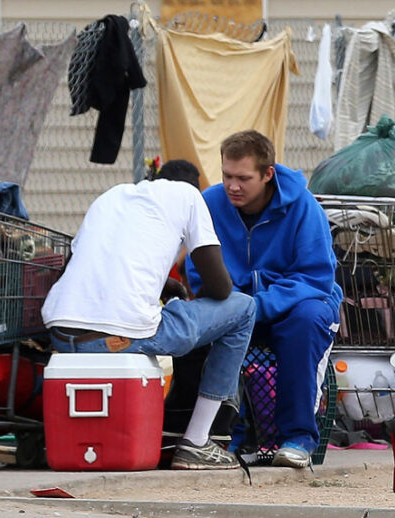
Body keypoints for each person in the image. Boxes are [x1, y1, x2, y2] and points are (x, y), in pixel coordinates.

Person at [41, 159, 257, 470]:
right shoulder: (189, 196)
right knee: (243, 308)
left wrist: (163, 285)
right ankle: (197, 441)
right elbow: (221, 288)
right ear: (195, 187)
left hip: (61, 333)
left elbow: (78, 267)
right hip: (120, 337)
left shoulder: (111, 196)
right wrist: (190, 305)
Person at [186, 130, 343, 468]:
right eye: (227, 175)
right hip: (237, 305)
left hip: (299, 305)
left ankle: (298, 439)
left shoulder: (304, 207)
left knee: (305, 322)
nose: (233, 186)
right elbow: (198, 276)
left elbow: (316, 277)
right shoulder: (209, 204)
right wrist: (237, 307)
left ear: (268, 174)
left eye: (243, 178)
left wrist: (257, 306)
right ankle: (218, 436)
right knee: (192, 324)